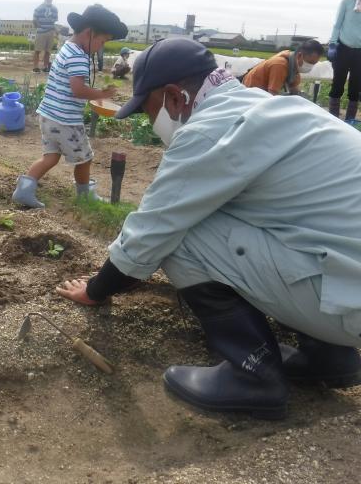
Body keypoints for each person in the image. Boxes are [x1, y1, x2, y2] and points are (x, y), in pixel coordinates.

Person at [56, 38, 361, 420]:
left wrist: (96, 290)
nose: (153, 125)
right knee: (281, 218)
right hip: (348, 285)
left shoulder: (207, 131)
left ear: (175, 97)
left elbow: (151, 232)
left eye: (150, 112)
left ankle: (253, 373)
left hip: (348, 304)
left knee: (185, 233)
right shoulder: (275, 107)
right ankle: (329, 356)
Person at [12, 4, 127, 208]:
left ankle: (24, 190)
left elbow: (73, 86)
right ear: (89, 33)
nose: (101, 46)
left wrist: (95, 94)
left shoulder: (67, 48)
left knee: (50, 157)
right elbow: (77, 89)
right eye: (102, 41)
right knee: (85, 159)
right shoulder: (79, 56)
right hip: (66, 120)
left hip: (48, 116)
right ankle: (85, 197)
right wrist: (102, 94)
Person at [327, 0, 361, 120]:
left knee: (356, 87)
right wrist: (333, 44)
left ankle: (350, 121)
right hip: (342, 48)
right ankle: (333, 118)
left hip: (359, 52)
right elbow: (337, 24)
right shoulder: (347, 1)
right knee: (337, 84)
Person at [242, 39, 323, 96]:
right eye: (310, 62)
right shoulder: (280, 65)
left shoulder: (294, 65)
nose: (310, 66)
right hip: (251, 94)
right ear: (299, 55)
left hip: (263, 93)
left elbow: (294, 90)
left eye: (314, 63)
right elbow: (272, 95)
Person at [32, 0, 58, 73]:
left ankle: (45, 67)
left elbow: (54, 21)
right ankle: (36, 67)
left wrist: (55, 31)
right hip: (41, 32)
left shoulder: (54, 9)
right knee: (37, 50)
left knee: (48, 51)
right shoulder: (39, 8)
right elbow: (34, 20)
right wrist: (39, 27)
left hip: (50, 32)